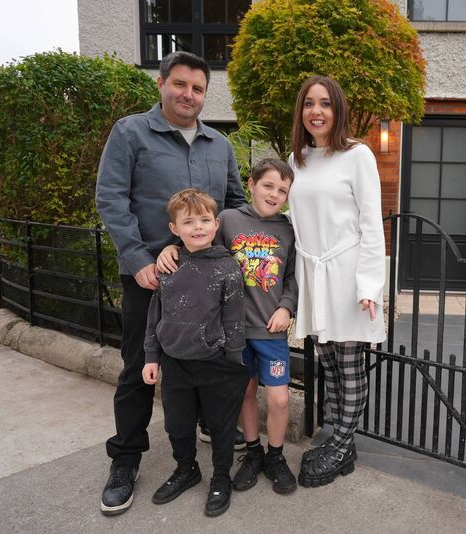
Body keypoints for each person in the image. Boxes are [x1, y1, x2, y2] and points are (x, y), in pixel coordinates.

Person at [95, 50, 246, 516]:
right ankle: (125, 458)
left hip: (208, 277)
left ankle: (202, 425)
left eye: (198, 88)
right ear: (161, 83)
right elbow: (111, 197)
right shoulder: (131, 132)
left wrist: (245, 259)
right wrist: (139, 258)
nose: (189, 94)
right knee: (140, 365)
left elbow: (235, 203)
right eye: (180, 84)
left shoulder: (219, 145)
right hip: (151, 278)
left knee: (210, 355)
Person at [157, 158, 299, 495]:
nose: (274, 193)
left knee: (279, 400)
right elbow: (198, 240)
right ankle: (252, 453)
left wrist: (287, 307)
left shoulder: (289, 229)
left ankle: (275, 457)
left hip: (270, 329)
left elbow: (293, 277)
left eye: (282, 190)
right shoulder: (230, 220)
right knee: (245, 392)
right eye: (268, 185)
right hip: (232, 331)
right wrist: (171, 247)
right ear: (251, 184)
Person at [287, 75, 386, 487]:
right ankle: (343, 445)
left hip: (346, 278)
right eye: (309, 103)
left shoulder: (358, 155)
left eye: (325, 103)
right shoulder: (297, 160)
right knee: (326, 362)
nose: (316, 111)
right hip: (314, 277)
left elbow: (371, 223)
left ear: (337, 109)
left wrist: (368, 286)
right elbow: (291, 221)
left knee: (349, 366)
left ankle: (342, 442)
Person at [142, 188, 248, 517]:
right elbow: (155, 314)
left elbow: (234, 318)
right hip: (175, 362)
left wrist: (233, 360)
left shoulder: (228, 268)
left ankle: (220, 477)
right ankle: (186, 469)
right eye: (189, 222)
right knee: (178, 425)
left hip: (215, 363)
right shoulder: (169, 265)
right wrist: (151, 356)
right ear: (175, 229)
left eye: (204, 220)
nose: (198, 227)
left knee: (221, 426)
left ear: (216, 225)